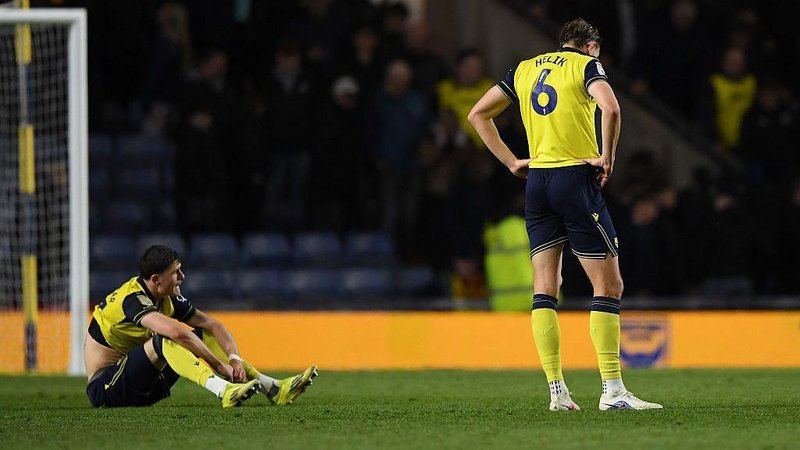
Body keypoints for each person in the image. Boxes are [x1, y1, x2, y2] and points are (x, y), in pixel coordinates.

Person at [468, 18, 661, 411]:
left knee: (545, 287)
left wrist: (510, 162)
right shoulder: (587, 66)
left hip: (537, 183)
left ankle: (558, 392)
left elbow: (478, 115)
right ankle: (613, 391)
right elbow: (611, 108)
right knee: (608, 287)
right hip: (575, 178)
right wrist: (607, 157)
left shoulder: (524, 68)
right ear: (591, 46)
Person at [84, 245, 317, 408]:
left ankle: (275, 390)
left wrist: (234, 359)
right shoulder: (132, 300)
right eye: (175, 273)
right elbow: (176, 333)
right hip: (106, 388)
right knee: (166, 339)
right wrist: (218, 366)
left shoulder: (166, 297)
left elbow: (212, 325)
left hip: (144, 384)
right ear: (156, 279)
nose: (182, 276)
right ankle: (224, 390)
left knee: (198, 334)